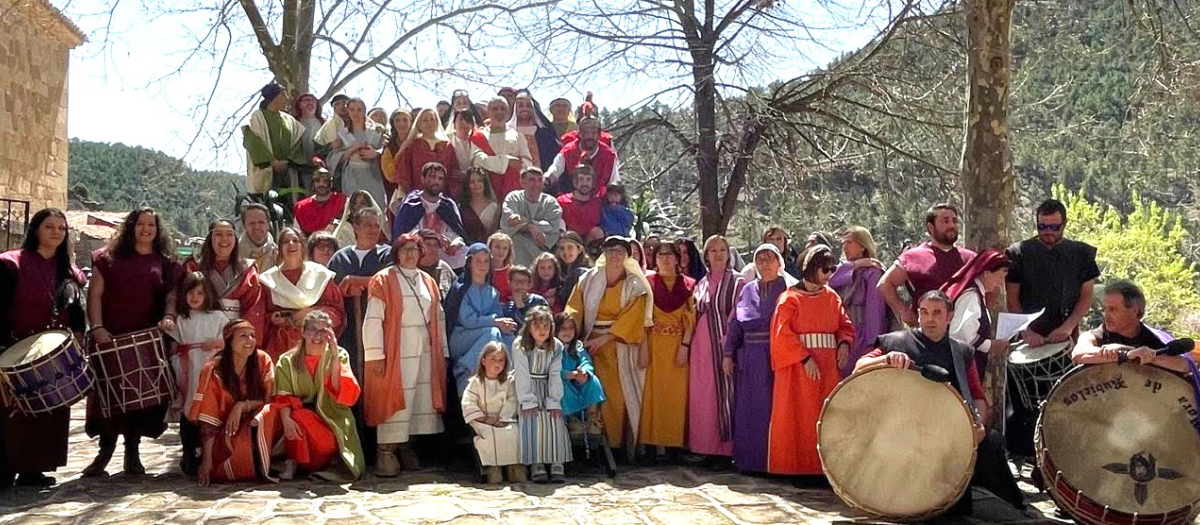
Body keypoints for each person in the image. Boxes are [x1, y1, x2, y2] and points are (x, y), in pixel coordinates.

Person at [855, 291, 1027, 516]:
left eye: (937, 313)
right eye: (924, 312)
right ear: (918, 315)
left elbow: (976, 396)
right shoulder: (895, 342)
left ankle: (1015, 507)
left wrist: (977, 424)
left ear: (949, 317)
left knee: (992, 442)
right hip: (902, 428)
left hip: (945, 430)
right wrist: (886, 359)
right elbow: (859, 366)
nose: (929, 319)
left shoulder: (961, 351)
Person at [84, 207, 183, 477]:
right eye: (140, 224)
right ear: (131, 227)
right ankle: (104, 453)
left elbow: (172, 294)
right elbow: (95, 295)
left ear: (157, 229)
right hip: (111, 338)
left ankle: (133, 452)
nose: (146, 229)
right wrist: (98, 327)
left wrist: (169, 316)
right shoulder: (108, 258)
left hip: (147, 339)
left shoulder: (165, 262)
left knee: (141, 399)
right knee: (108, 398)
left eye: (151, 224)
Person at [1004, 198, 1101, 458]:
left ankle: (1065, 452)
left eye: (1054, 227)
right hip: (1028, 337)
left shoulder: (1081, 253)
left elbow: (1086, 296)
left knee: (1069, 396)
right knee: (1024, 403)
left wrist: (1069, 326)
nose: (1048, 232)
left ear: (1064, 224)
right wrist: (1026, 331)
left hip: (1067, 335)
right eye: (1042, 227)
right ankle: (1025, 455)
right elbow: (1011, 297)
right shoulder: (1019, 252)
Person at [0, 208, 87, 488]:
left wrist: (76, 341)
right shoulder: (10, 263)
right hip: (11, 346)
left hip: (51, 353)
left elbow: (76, 315)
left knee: (47, 411)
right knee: (8, 412)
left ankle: (32, 469)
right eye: (49, 227)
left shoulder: (70, 273)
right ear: (36, 229)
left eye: (61, 229)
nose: (56, 233)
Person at [361, 233, 448, 476]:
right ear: (396, 253)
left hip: (424, 349)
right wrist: (375, 355)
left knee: (419, 397)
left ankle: (406, 445)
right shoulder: (383, 279)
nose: (410, 254)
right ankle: (386, 451)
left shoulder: (428, 281)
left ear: (421, 253)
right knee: (395, 397)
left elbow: (438, 317)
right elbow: (373, 320)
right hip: (395, 349)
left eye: (414, 249)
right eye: (404, 250)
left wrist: (444, 352)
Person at [767, 244, 854, 475]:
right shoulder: (789, 299)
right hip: (799, 368)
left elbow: (845, 325)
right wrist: (804, 358)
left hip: (827, 368)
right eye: (825, 269)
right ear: (812, 269)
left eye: (832, 268)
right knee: (800, 417)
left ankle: (823, 467)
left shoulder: (832, 297)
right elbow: (782, 334)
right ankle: (798, 468)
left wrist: (844, 344)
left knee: (824, 415)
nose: (830, 273)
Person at [564, 236, 652, 449]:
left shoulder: (635, 284)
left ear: (627, 255)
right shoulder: (589, 279)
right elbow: (574, 308)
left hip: (620, 346)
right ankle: (589, 444)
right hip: (588, 345)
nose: (615, 255)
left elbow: (634, 317)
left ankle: (615, 445)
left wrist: (606, 337)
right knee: (588, 391)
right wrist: (570, 330)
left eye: (620, 251)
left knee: (616, 397)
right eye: (610, 250)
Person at [327, 207, 392, 459]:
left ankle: (382, 445)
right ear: (355, 228)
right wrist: (344, 290)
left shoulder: (386, 254)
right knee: (351, 381)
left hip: (380, 332)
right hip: (349, 334)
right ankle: (354, 443)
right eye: (368, 226)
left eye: (376, 226)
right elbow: (331, 291)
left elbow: (388, 281)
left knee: (378, 384)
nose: (373, 231)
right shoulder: (340, 258)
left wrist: (358, 280)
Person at [723, 243, 792, 473]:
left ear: (779, 262)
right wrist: (728, 353)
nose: (765, 264)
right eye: (760, 259)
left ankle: (772, 461)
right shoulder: (747, 289)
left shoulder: (788, 288)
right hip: (749, 356)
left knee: (772, 408)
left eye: (770, 259)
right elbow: (735, 324)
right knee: (748, 409)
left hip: (775, 355)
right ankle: (748, 461)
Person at [274, 311, 365, 481]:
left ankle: (327, 462)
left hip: (332, 421)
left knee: (325, 444)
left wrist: (335, 355)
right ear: (303, 332)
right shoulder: (286, 361)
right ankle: (292, 461)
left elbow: (342, 393)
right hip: (298, 425)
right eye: (313, 330)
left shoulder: (339, 354)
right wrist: (286, 421)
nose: (318, 335)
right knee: (297, 415)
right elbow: (283, 397)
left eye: (324, 331)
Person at [191, 319, 279, 486]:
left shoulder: (263, 360)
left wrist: (242, 406)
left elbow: (269, 398)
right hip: (225, 428)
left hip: (257, 422)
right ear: (229, 341)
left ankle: (262, 456)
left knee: (270, 411)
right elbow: (209, 416)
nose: (250, 340)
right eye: (243, 336)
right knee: (223, 468)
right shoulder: (214, 369)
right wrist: (207, 460)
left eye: (252, 335)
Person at [165, 272, 229, 476]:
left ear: (208, 294)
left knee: (208, 407)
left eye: (200, 293)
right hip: (188, 368)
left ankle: (209, 453)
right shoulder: (183, 319)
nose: (195, 297)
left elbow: (229, 339)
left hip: (209, 367)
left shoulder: (217, 317)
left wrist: (216, 343)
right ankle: (188, 453)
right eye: (191, 292)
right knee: (188, 407)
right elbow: (173, 339)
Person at [689, 235, 745, 460]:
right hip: (701, 346)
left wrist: (728, 345)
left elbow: (738, 314)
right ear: (706, 256)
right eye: (713, 250)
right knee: (704, 396)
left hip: (723, 343)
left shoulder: (738, 281)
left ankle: (725, 450)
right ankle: (704, 448)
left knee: (725, 395)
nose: (718, 254)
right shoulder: (701, 283)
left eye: (722, 249)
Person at [640, 241, 695, 460]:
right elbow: (642, 319)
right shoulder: (647, 284)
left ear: (677, 258)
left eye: (670, 255)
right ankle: (653, 445)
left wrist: (685, 345)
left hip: (677, 346)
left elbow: (692, 317)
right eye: (661, 255)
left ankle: (674, 445)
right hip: (654, 344)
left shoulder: (690, 285)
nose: (665, 259)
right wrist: (643, 348)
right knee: (652, 395)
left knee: (676, 396)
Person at [878, 204, 977, 327]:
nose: (951, 226)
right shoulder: (912, 257)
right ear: (931, 227)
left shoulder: (971, 258)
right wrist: (904, 311)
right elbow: (884, 284)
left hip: (966, 332)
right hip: (927, 331)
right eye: (945, 221)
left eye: (954, 221)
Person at [259, 228, 346, 361]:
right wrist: (274, 318)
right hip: (280, 346)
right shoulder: (267, 280)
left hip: (316, 343)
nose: (291, 244)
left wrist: (312, 314)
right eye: (286, 241)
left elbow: (337, 313)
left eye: (295, 240)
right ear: (280, 248)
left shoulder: (320, 275)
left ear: (302, 246)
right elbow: (260, 317)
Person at [1071, 280, 1192, 373]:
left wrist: (1150, 357)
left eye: (1113, 309)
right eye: (1105, 309)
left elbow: (1184, 366)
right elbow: (1079, 353)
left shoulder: (1154, 338)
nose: (1106, 315)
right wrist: (1126, 354)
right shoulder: (1094, 336)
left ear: (1134, 310)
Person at [512, 306, 573, 483]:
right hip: (528, 387)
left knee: (554, 422)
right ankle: (536, 463)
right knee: (532, 422)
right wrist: (527, 400)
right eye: (537, 326)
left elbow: (555, 373)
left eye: (545, 327)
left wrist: (554, 401)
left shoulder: (556, 346)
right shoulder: (520, 345)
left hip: (547, 386)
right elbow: (522, 373)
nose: (542, 331)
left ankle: (556, 462)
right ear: (529, 327)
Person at [447, 244, 517, 395]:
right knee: (492, 333)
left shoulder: (492, 292)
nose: (482, 265)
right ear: (469, 263)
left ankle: (508, 376)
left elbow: (498, 318)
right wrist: (495, 322)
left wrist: (505, 325)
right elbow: (467, 320)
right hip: (462, 337)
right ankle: (467, 369)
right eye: (478, 261)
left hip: (486, 333)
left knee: (509, 337)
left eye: (486, 261)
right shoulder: (461, 289)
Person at [186, 219, 266, 337]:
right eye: (218, 234)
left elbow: (253, 309)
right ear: (209, 239)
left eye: (229, 234)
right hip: (200, 331)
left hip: (236, 334)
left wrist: (244, 337)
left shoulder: (247, 270)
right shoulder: (194, 266)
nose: (224, 239)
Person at [942, 250, 1011, 378]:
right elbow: (961, 335)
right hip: (962, 370)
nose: (1001, 284)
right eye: (1000, 277)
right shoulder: (971, 296)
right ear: (986, 273)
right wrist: (991, 345)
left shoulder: (977, 294)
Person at [829, 226, 887, 378]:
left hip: (861, 337)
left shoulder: (872, 273)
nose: (845, 247)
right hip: (841, 335)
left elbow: (875, 312)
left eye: (849, 242)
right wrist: (858, 264)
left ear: (862, 246)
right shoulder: (846, 270)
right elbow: (830, 280)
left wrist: (872, 344)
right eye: (843, 243)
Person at [462, 341, 524, 484]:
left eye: (501, 360)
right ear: (483, 360)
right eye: (493, 359)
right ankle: (493, 470)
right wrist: (485, 419)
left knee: (513, 433)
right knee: (489, 436)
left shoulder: (508, 382)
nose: (497, 363)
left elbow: (512, 399)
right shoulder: (476, 382)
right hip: (483, 420)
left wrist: (503, 418)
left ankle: (514, 470)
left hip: (504, 419)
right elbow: (468, 402)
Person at [390, 162, 467, 270]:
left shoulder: (448, 205)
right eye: (432, 177)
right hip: (418, 249)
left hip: (443, 252)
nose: (436, 181)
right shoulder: (411, 203)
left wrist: (455, 244)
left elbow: (455, 232)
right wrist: (433, 237)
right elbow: (405, 234)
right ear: (423, 179)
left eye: (440, 179)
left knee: (467, 252)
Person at [243, 83, 307, 197]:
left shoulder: (290, 120)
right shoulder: (256, 117)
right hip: (266, 171)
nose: (287, 98)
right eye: (283, 94)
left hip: (287, 173)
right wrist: (272, 162)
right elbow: (252, 141)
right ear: (274, 97)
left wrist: (288, 162)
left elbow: (298, 140)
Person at [329, 97, 387, 209]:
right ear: (348, 111)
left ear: (365, 111)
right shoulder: (342, 133)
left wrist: (376, 153)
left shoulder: (376, 131)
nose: (355, 113)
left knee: (375, 208)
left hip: (372, 175)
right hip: (351, 177)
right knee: (354, 208)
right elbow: (333, 158)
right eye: (352, 109)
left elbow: (386, 150)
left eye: (359, 110)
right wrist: (352, 149)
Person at [554, 312, 605, 436]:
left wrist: (584, 372)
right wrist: (568, 375)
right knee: (564, 388)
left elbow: (585, 360)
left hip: (578, 379)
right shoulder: (553, 348)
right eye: (563, 329)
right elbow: (551, 369)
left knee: (593, 381)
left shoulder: (577, 347)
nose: (567, 332)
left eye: (571, 328)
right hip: (563, 379)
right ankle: (572, 419)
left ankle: (592, 417)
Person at [501, 167, 563, 267]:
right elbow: (509, 221)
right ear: (522, 182)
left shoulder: (551, 203)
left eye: (540, 180)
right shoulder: (513, 197)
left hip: (540, 256)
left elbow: (551, 230)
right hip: (515, 252)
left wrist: (525, 224)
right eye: (531, 180)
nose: (536, 184)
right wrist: (531, 228)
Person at [546, 112, 619, 196]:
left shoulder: (608, 155)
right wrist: (546, 180)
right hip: (571, 200)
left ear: (599, 135)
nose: (589, 136)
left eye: (593, 133)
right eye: (585, 133)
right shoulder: (568, 151)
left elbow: (614, 181)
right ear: (579, 134)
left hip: (599, 202)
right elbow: (555, 169)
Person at [395, 108, 461, 196]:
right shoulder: (412, 146)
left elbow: (454, 172)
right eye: (425, 120)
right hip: (417, 197)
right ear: (419, 124)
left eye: (432, 119)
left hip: (442, 197)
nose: (429, 123)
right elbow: (404, 173)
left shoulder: (447, 146)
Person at [480, 97, 533, 198]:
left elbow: (527, 160)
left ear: (508, 112)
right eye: (495, 109)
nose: (499, 112)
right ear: (488, 112)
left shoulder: (518, 136)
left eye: (503, 108)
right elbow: (477, 159)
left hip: (513, 187)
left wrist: (521, 166)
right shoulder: (479, 136)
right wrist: (505, 161)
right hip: (486, 188)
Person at [506, 91, 561, 171]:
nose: (525, 109)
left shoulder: (544, 134)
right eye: (521, 106)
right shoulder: (507, 132)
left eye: (528, 106)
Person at [294, 167, 348, 236]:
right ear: (313, 183)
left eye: (325, 181)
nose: (321, 184)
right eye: (317, 181)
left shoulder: (342, 201)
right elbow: (297, 232)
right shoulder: (301, 207)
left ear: (331, 183)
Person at [557, 166, 605, 242]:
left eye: (588, 179)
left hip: (589, 240)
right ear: (575, 182)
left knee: (597, 232)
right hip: (568, 239)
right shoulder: (562, 201)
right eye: (581, 179)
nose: (585, 183)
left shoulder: (597, 203)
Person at [460, 166, 501, 244]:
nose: (476, 184)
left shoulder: (495, 207)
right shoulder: (462, 208)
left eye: (479, 181)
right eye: (472, 182)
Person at [381, 109, 414, 199]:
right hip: (395, 193)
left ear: (411, 122)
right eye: (397, 120)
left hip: (417, 188)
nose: (401, 124)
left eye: (405, 120)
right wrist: (400, 151)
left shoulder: (418, 142)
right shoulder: (389, 146)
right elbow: (389, 174)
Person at [238, 203, 278, 273]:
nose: (256, 227)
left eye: (261, 222)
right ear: (244, 226)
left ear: (269, 225)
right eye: (252, 223)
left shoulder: (278, 255)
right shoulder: (234, 254)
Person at [417, 229, 457, 297]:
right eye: (428, 245)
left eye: (435, 245)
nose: (433, 249)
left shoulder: (444, 267)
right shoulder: (411, 268)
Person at [555, 232, 591, 309]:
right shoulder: (558, 271)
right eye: (562, 248)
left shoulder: (582, 273)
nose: (566, 252)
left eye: (570, 247)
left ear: (579, 249)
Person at [291, 92, 325, 165]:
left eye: (313, 100)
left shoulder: (324, 124)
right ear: (300, 105)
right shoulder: (293, 124)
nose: (310, 103)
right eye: (306, 100)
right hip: (298, 167)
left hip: (321, 167)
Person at [488, 232, 515, 302]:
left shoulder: (513, 271)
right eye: (497, 247)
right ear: (490, 248)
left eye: (505, 248)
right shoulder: (483, 269)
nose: (501, 251)